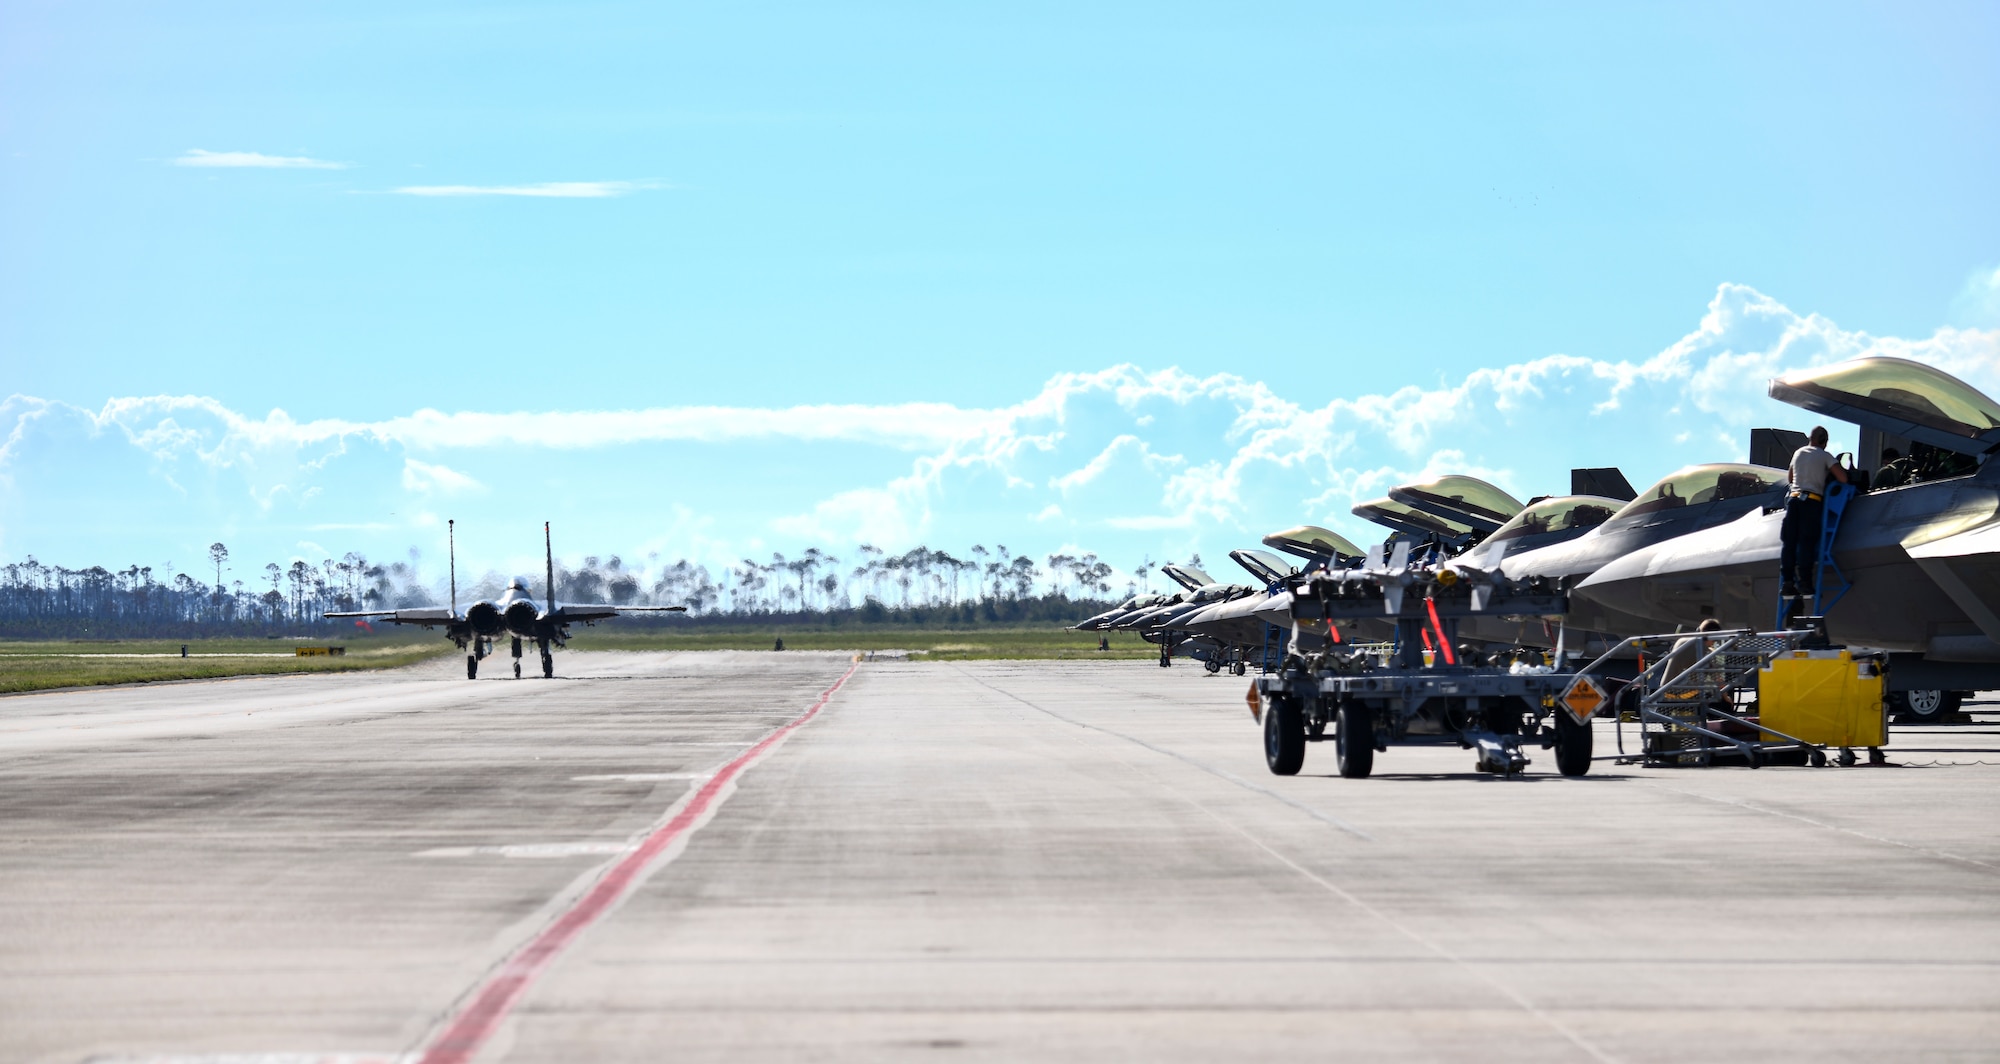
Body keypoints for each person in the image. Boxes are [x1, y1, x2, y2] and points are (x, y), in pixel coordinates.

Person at [1780, 426, 1848, 597]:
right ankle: (1805, 584)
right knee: (1806, 542)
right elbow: (1843, 478)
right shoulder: (1825, 455)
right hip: (1811, 502)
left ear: (1810, 438)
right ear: (1824, 441)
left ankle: (1787, 583)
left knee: (1789, 544)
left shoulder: (1798, 453)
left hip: (1793, 501)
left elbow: (1790, 478)